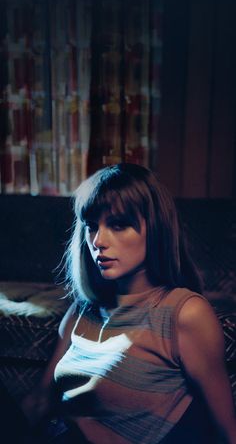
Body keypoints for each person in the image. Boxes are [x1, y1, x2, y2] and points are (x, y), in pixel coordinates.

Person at [14, 163, 236, 442]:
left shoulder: (183, 312)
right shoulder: (82, 310)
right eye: (92, 227)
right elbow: (38, 402)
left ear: (155, 230)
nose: (99, 241)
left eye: (118, 225)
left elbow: (227, 431)